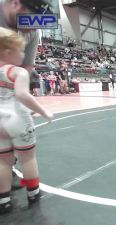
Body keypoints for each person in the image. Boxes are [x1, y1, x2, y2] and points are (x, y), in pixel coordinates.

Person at [0, 27, 53, 214]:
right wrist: (43, 111)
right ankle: (33, 192)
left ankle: (4, 200)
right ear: (8, 52)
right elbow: (22, 95)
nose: (24, 54)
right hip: (18, 120)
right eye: (21, 50)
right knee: (28, 158)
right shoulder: (18, 72)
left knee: (4, 161)